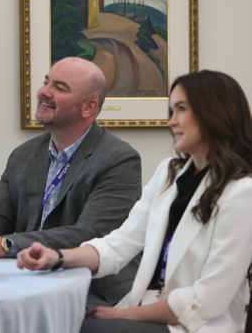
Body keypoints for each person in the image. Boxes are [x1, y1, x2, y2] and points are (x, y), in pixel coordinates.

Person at [17, 70, 252, 333]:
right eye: (171, 111)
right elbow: (121, 243)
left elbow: (207, 298)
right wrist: (57, 257)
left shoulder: (242, 193)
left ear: (215, 114)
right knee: (52, 322)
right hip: (142, 309)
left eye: (181, 110)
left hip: (194, 325)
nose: (172, 121)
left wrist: (128, 315)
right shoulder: (168, 173)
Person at [0, 57, 142, 308]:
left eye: (60, 87)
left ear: (88, 108)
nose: (43, 92)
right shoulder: (24, 154)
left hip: (92, 292)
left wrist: (6, 245)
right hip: (30, 280)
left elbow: (90, 233)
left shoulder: (118, 159)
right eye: (46, 82)